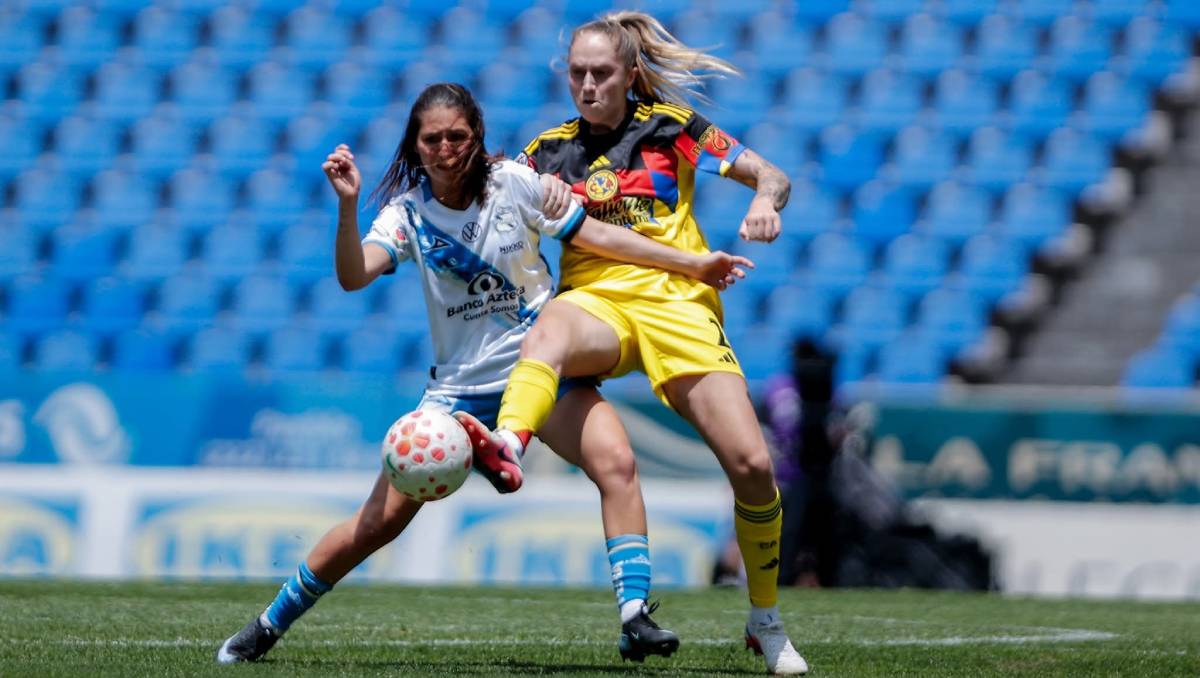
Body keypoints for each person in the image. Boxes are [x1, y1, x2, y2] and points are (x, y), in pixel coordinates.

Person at [215, 82, 753, 664]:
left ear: (476, 138)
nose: (446, 148)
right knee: (376, 525)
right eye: (432, 139)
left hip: (540, 370)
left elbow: (597, 235)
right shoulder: (407, 214)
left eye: (458, 136)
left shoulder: (514, 184)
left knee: (617, 463)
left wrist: (692, 264)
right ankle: (267, 626)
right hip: (457, 394)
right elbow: (353, 275)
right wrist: (348, 207)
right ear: (415, 146)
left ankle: (634, 616)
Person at [456, 12, 809, 675]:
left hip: (678, 304)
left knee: (753, 466)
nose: (587, 86)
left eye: (601, 73)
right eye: (577, 74)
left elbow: (774, 176)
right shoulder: (545, 152)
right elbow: (487, 205)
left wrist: (764, 202)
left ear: (630, 74)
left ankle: (764, 618)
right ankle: (509, 444)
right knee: (550, 327)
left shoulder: (673, 128)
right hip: (598, 301)